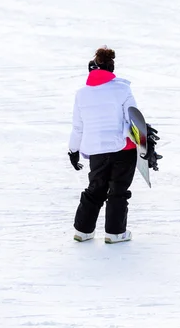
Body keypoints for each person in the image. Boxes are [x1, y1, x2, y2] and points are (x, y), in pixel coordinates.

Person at [68, 47, 161, 243]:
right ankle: (115, 233)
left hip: (96, 150)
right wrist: (146, 145)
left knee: (95, 188)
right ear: (111, 69)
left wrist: (73, 150)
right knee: (118, 191)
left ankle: (82, 231)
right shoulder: (122, 89)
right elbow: (134, 118)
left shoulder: (81, 94)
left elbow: (78, 127)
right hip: (123, 149)